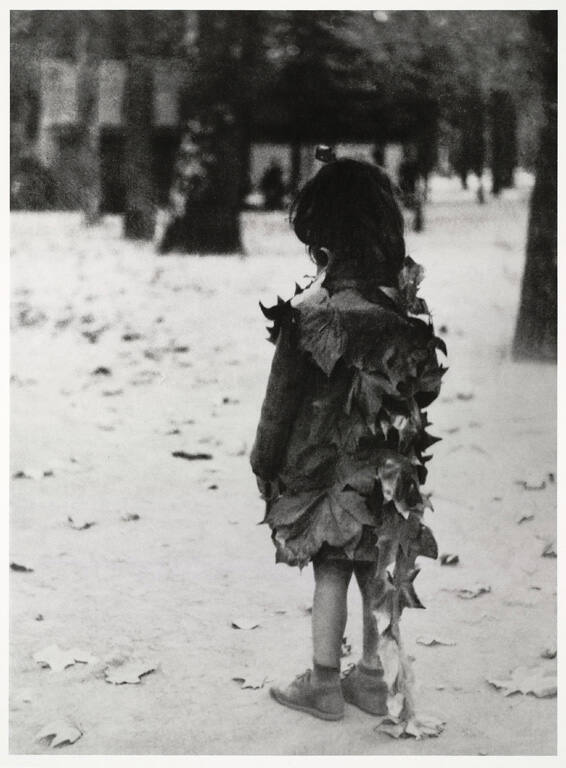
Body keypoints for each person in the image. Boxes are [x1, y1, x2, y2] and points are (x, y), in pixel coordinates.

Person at [250, 155, 446, 724]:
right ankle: (371, 674)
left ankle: (325, 682)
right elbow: (421, 396)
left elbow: (279, 402)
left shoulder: (310, 318)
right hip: (386, 471)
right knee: (373, 568)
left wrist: (263, 460)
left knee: (330, 570)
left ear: (322, 241)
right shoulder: (406, 318)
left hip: (323, 473)